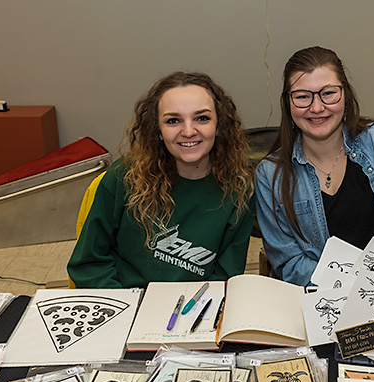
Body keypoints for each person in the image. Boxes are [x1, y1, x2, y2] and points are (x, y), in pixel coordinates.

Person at [255, 46, 374, 286]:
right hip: (326, 303)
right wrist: (348, 297)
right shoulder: (270, 175)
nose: (316, 107)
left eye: (328, 93)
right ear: (288, 103)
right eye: (303, 96)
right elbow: (291, 264)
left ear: (345, 95)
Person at [67, 72, 254, 288]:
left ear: (219, 126)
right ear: (157, 130)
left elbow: (225, 278)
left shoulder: (240, 189)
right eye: (173, 120)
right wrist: (127, 310)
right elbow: (87, 265)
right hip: (126, 302)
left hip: (192, 308)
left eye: (202, 118)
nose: (188, 131)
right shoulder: (124, 177)